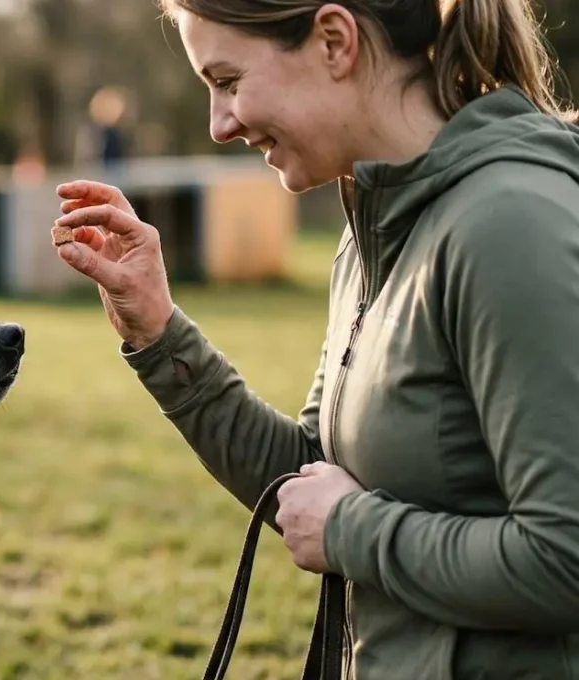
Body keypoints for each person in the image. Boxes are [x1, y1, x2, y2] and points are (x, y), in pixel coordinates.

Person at [52, 0, 579, 678]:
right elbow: (309, 480)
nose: (219, 124)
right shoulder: (371, 229)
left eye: (228, 80)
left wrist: (351, 532)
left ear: (334, 41)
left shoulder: (510, 224)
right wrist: (158, 332)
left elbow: (565, 558)